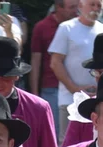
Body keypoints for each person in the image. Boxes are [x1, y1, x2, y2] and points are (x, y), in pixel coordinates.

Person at [48, 0, 103, 140]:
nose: (95, 8)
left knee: (97, 141)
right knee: (68, 143)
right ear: (80, 6)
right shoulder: (66, 28)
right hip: (70, 99)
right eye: (92, 4)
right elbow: (55, 63)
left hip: (99, 101)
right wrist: (75, 89)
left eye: (99, 5)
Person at [30, 0, 77, 138]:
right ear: (58, 7)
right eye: (71, 8)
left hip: (75, 89)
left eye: (77, 7)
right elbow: (35, 61)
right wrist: (34, 92)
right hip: (51, 88)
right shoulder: (42, 27)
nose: (76, 11)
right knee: (53, 134)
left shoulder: (78, 27)